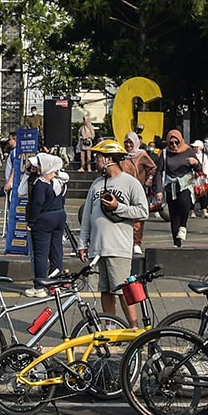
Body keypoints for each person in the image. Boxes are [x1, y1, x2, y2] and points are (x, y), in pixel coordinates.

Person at [78, 140, 149, 327]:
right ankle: (110, 327)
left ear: (109, 158)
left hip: (118, 247)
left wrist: (119, 207)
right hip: (98, 247)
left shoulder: (130, 182)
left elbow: (143, 211)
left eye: (98, 157)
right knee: (105, 290)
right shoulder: (96, 184)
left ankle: (133, 328)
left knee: (123, 290)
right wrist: (82, 243)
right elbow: (87, 215)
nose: (96, 161)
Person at [25, 152, 69, 297]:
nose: (37, 167)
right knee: (56, 252)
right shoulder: (61, 181)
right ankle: (55, 284)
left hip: (44, 219)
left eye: (40, 164)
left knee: (41, 254)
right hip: (59, 216)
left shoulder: (41, 183)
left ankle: (39, 286)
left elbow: (36, 204)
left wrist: (31, 222)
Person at [120, 132, 157, 253]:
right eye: (126, 142)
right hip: (123, 189)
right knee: (123, 215)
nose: (128, 145)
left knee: (138, 217)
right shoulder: (121, 155)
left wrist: (149, 179)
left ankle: (137, 243)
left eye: (131, 142)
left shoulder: (142, 155)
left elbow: (153, 167)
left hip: (138, 189)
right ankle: (126, 242)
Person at [189, 139, 208, 220]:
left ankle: (204, 211)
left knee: (203, 194)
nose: (194, 148)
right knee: (192, 195)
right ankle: (192, 211)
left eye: (196, 147)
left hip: (201, 178)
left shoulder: (204, 156)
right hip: (192, 178)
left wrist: (205, 178)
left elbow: (205, 168)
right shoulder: (191, 156)